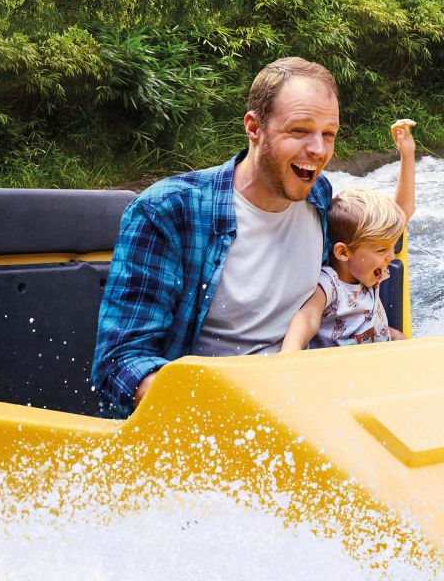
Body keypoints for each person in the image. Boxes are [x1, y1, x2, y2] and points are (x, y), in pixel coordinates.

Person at [92, 57, 342, 416]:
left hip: (299, 407)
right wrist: (228, 408)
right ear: (254, 128)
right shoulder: (168, 210)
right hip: (202, 418)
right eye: (300, 130)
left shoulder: (318, 197)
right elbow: (119, 365)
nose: (319, 150)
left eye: (328, 133)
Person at [283, 121, 417, 350]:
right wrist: (288, 357)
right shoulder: (330, 284)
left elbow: (403, 211)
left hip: (378, 356)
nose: (391, 257)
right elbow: (306, 318)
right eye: (381, 250)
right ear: (343, 252)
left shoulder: (370, 270)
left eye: (390, 248)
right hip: (344, 373)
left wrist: (408, 154)